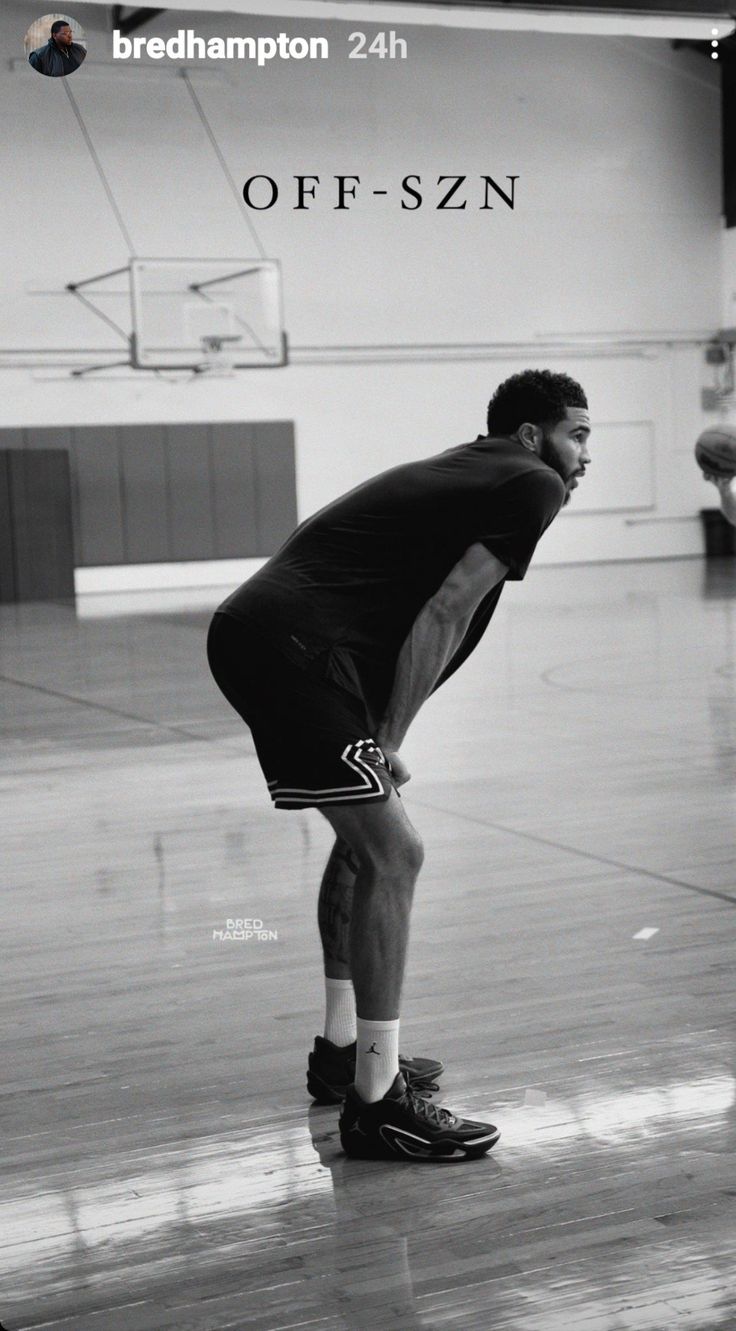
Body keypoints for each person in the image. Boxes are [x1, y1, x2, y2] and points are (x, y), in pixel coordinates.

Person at [207, 368, 591, 1161]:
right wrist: (388, 738)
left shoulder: (470, 470)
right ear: (532, 435)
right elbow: (447, 607)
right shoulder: (531, 482)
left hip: (273, 636)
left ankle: (344, 1053)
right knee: (397, 852)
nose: (585, 456)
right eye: (578, 435)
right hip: (295, 650)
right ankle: (377, 1103)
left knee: (364, 844)